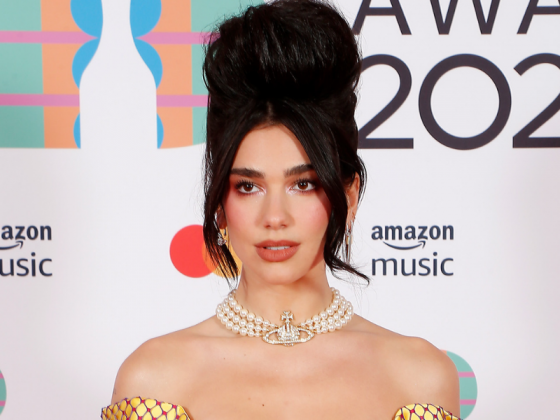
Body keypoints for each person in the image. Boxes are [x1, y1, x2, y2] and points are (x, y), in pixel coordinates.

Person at [102, 1, 461, 419]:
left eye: (303, 184)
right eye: (248, 186)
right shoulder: (156, 379)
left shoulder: (418, 377)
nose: (275, 217)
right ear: (221, 205)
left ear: (348, 196)